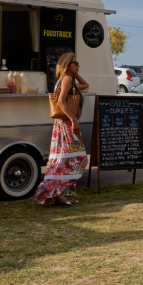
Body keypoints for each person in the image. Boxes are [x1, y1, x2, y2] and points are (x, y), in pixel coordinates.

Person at [34, 52, 89, 206]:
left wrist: (75, 73)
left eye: (78, 63)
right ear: (66, 65)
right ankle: (53, 190)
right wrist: (73, 120)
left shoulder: (67, 79)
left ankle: (61, 194)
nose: (78, 65)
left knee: (66, 159)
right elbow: (61, 102)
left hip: (64, 123)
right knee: (78, 159)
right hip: (67, 124)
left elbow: (85, 85)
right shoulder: (66, 79)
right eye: (75, 63)